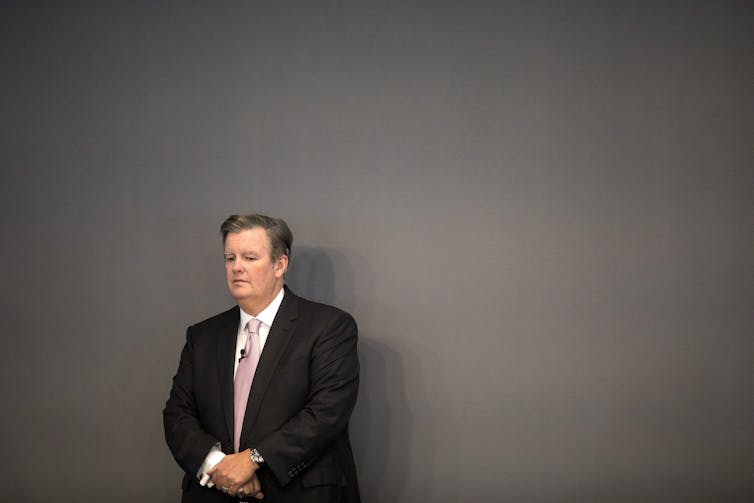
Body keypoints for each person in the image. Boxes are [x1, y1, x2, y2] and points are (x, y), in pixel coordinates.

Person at [164, 214, 361, 502]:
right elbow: (177, 414)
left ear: (280, 264)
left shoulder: (329, 327)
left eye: (249, 257)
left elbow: (326, 412)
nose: (236, 268)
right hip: (215, 494)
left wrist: (253, 460)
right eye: (230, 258)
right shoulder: (203, 336)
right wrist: (218, 465)